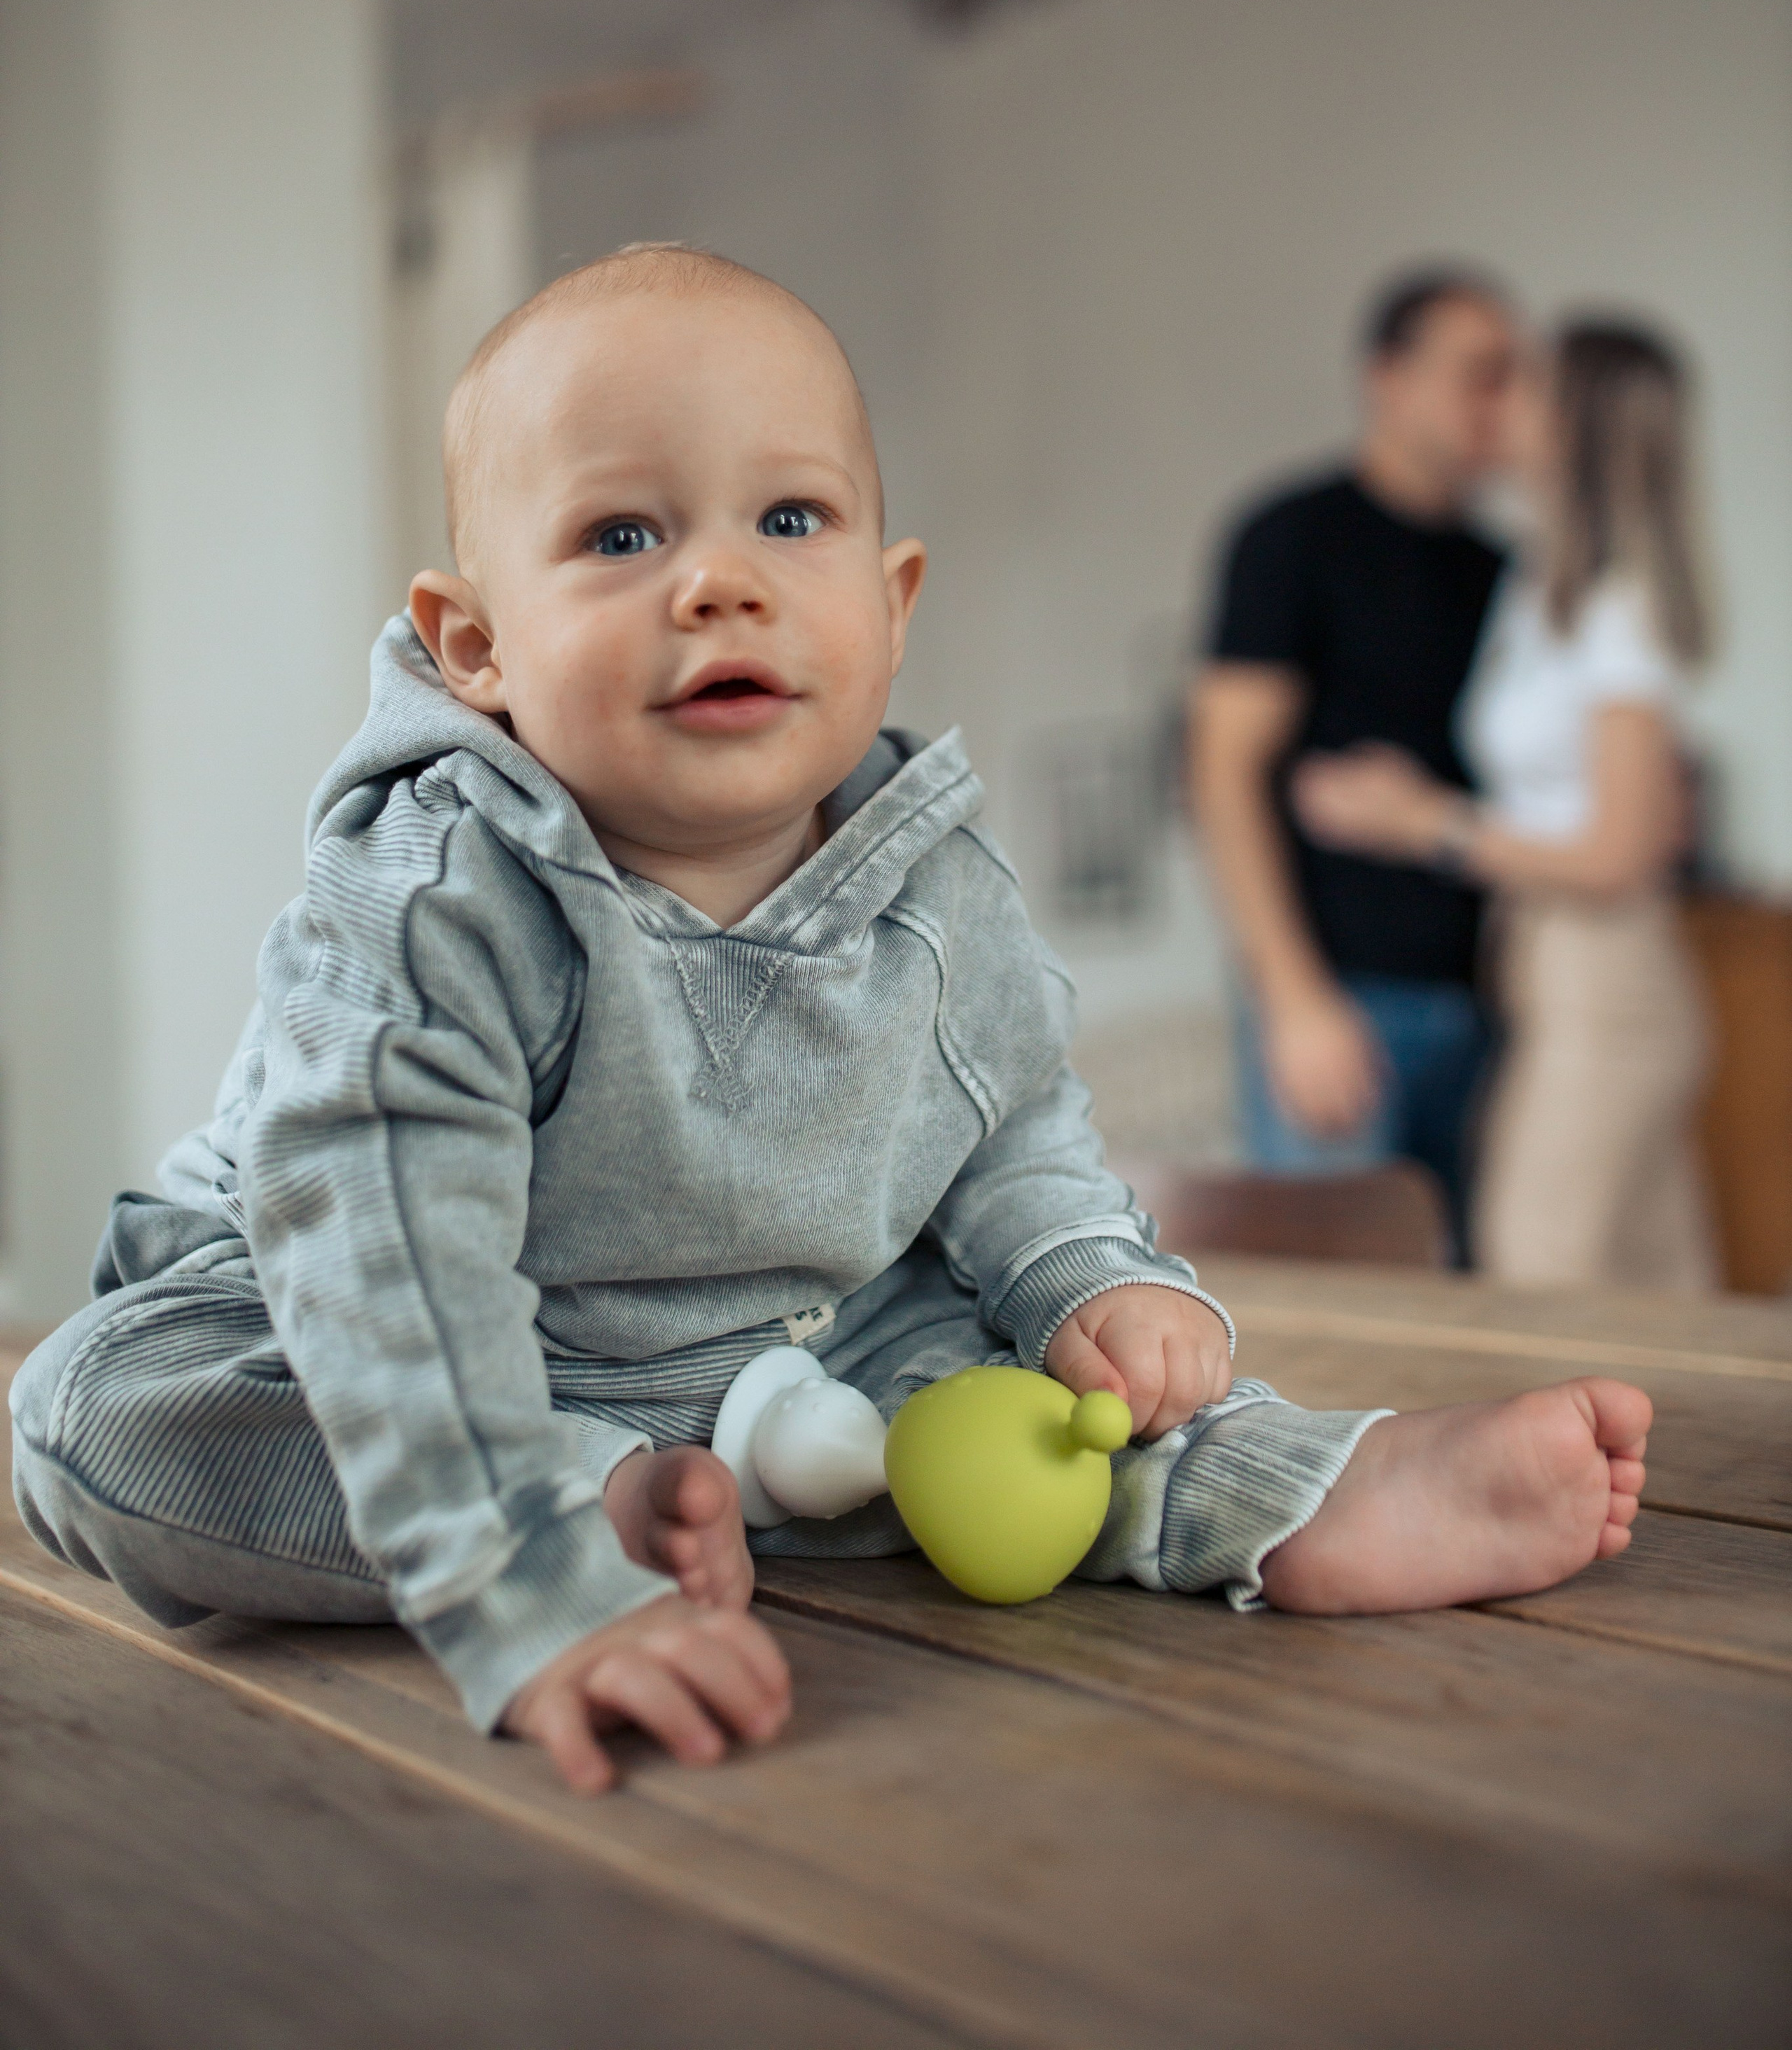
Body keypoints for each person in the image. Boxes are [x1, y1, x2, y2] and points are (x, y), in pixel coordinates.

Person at [12, 245, 1649, 1800]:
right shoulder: (438, 888)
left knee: (1034, 1396)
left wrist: (1087, 1273)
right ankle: (606, 1501)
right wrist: (528, 1580)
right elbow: (384, 1260)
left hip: (810, 1349)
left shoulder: (938, 885)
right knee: (90, 1421)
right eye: (621, 537)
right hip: (391, 1332)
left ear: (890, 599)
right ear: (475, 647)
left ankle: (1291, 1491)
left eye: (787, 518)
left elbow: (1010, 1133)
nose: (719, 581)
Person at [1293, 318, 1718, 1290]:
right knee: (1655, 1283)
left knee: (1536, 1261)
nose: (1502, 403)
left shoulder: (1620, 607)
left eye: (1522, 384)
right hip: (1546, 965)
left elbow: (1620, 853)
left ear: (1573, 423)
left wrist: (1419, 821)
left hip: (1608, 978)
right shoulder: (1542, 584)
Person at [1192, 267, 1518, 1250]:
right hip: (1341, 1002)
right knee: (1348, 1303)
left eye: (1511, 378)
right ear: (1389, 375)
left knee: (1473, 1319)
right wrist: (1294, 1000)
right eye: (1479, 373)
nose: (1498, 405)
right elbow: (1221, 772)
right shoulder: (1293, 538)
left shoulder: (1505, 570)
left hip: (1489, 1006)